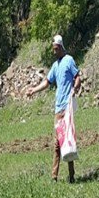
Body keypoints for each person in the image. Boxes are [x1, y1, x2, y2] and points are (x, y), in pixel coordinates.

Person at [27, 35, 81, 183]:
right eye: (53, 49)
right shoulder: (55, 66)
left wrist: (75, 87)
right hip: (58, 109)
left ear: (61, 47)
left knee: (67, 141)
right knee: (57, 143)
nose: (54, 52)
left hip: (67, 107)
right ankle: (54, 176)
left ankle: (71, 176)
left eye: (56, 49)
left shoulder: (69, 60)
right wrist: (34, 90)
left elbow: (77, 77)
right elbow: (47, 82)